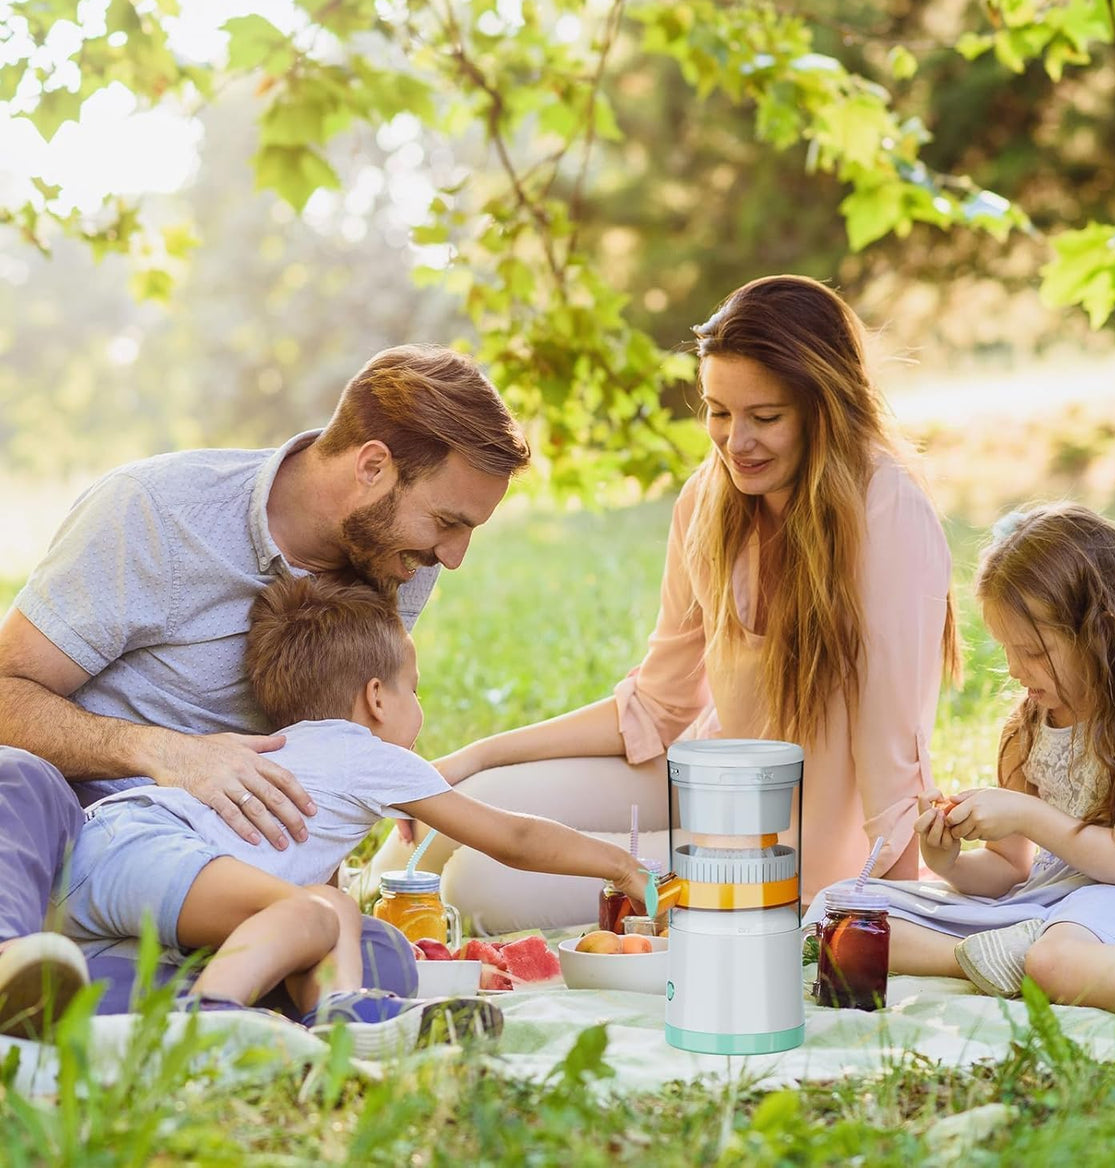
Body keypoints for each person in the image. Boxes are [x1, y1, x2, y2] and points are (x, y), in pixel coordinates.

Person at [376, 275, 958, 932]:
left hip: (792, 854)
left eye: (765, 418)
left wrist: (890, 920)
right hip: (702, 781)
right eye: (718, 411)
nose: (736, 443)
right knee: (462, 804)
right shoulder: (709, 499)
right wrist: (476, 756)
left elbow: (892, 750)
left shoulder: (887, 512)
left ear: (824, 408)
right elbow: (657, 705)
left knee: (482, 888)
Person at [0, 344, 529, 1039]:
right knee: (16, 780)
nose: (453, 556)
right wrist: (165, 752)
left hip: (215, 883)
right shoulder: (155, 512)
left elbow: (336, 737)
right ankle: (14, 960)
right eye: (449, 522)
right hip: (77, 844)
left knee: (375, 958)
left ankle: (107, 1001)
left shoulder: (399, 561)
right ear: (372, 467)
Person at [57, 574, 649, 1055]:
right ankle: (211, 1021)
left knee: (334, 909)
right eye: (415, 692)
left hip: (107, 858)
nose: (418, 711)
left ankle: (345, 1017)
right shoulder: (365, 753)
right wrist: (621, 866)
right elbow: (513, 837)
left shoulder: (298, 747)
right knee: (311, 914)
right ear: (375, 698)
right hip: (148, 844)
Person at [805, 504, 1115, 1026]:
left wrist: (1027, 815)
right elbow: (1009, 870)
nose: (1015, 669)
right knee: (835, 912)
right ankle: (998, 956)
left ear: (1100, 632)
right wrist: (946, 861)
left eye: (1033, 651)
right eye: (1007, 649)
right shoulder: (1027, 729)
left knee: (1057, 959)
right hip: (1046, 903)